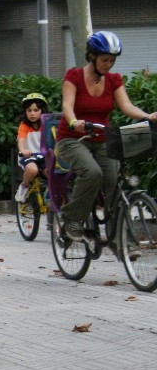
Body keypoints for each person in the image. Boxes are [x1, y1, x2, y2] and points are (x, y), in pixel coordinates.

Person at [55, 31, 157, 241]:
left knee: (114, 182)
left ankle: (117, 239)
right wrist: (75, 122)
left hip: (102, 139)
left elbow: (127, 106)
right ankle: (71, 218)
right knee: (93, 173)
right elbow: (67, 106)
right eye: (104, 59)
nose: (108, 64)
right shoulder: (73, 76)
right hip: (72, 138)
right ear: (91, 56)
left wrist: (148, 116)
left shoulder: (113, 80)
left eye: (112, 60)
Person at [15, 93, 47, 203]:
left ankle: (51, 196)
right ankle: (24, 186)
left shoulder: (47, 124)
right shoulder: (24, 125)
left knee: (52, 173)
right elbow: (21, 140)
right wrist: (23, 150)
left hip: (45, 156)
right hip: (29, 156)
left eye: (36, 110)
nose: (32, 113)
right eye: (29, 110)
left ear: (42, 111)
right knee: (32, 170)